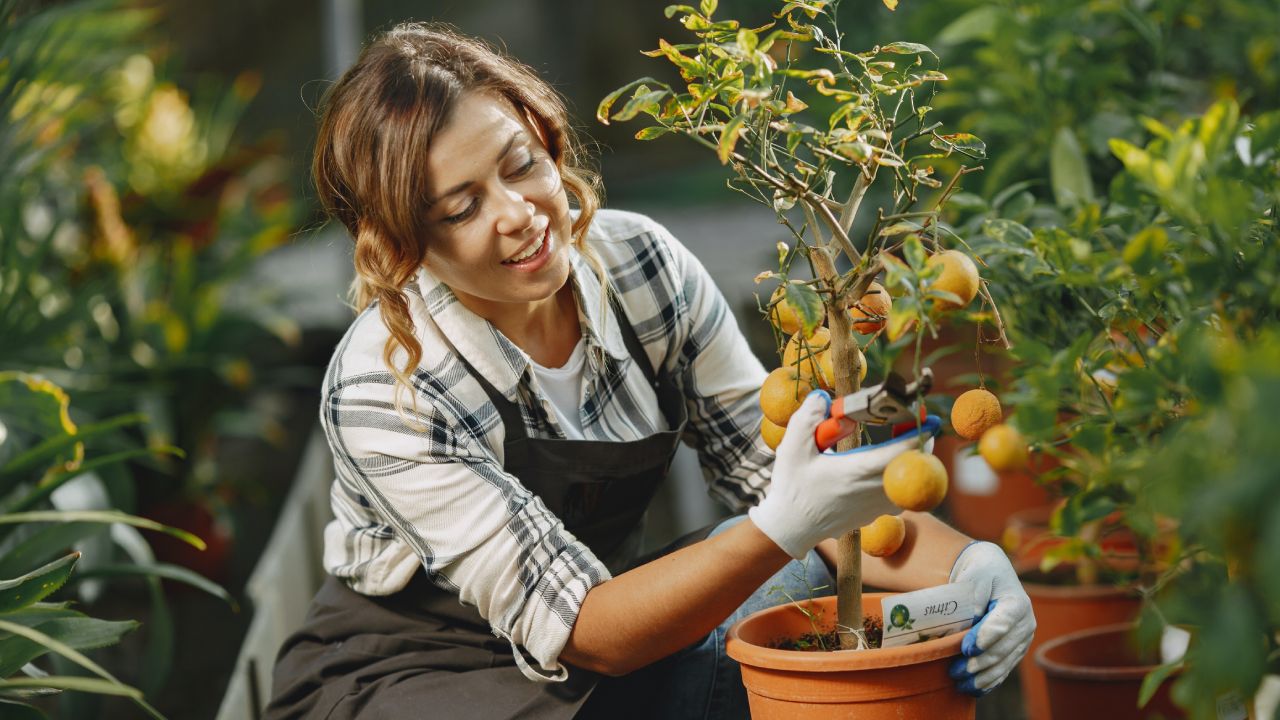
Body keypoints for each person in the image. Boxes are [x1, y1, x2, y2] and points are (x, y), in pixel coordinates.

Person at [266, 22, 1034, 720]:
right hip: (413, 682)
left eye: (520, 164)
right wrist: (785, 524)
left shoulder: (641, 269)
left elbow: (789, 480)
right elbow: (589, 628)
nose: (519, 212)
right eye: (461, 209)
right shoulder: (389, 385)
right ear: (404, 243)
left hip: (599, 656)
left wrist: (970, 569)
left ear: (546, 137)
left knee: (817, 584)